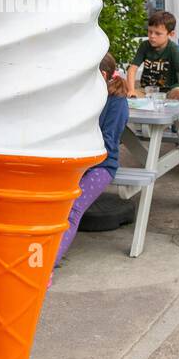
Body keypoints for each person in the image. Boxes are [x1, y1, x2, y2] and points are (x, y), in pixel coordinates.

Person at [52, 53, 129, 275]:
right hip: (74, 162)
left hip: (101, 166)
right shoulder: (85, 96)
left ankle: (48, 264)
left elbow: (108, 145)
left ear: (102, 75)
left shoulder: (117, 103)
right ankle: (36, 252)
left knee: (73, 206)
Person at [126, 10, 179, 101]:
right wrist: (131, 90)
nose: (152, 36)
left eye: (158, 33)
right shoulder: (144, 45)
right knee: (126, 96)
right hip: (146, 91)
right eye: (150, 32)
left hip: (169, 91)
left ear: (171, 34)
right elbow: (132, 69)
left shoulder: (173, 49)